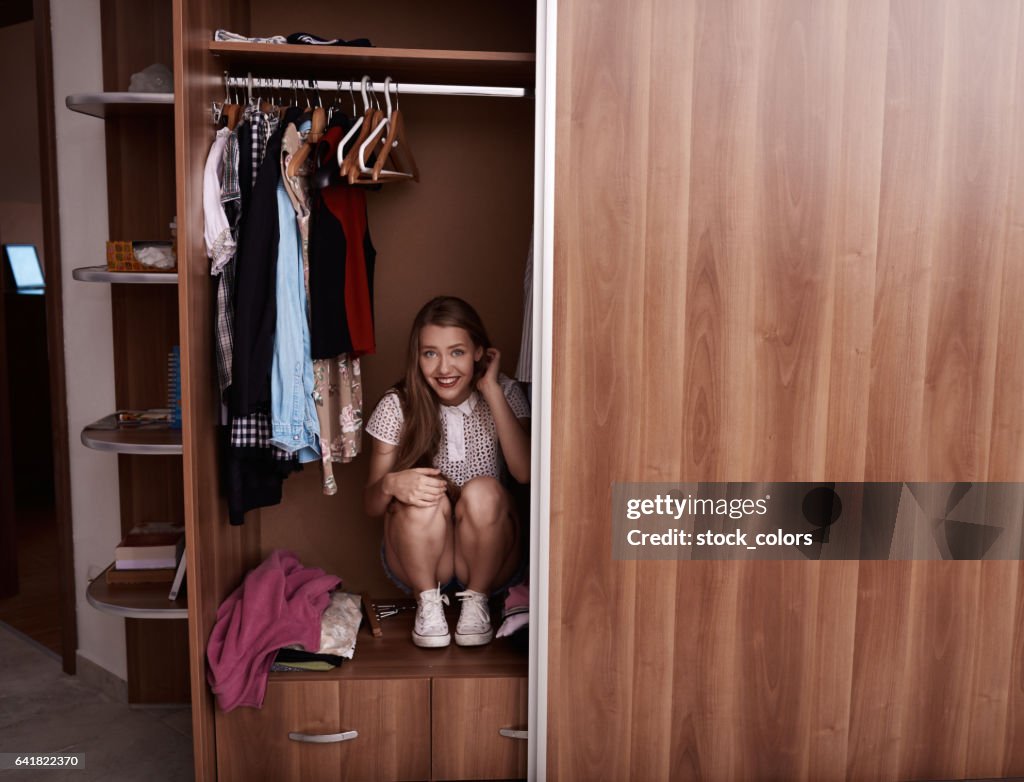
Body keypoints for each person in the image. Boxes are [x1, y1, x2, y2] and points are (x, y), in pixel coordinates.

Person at [364, 296, 530, 647]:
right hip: (423, 560)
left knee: (483, 490)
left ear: (478, 353)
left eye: (456, 352)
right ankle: (427, 606)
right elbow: (371, 506)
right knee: (423, 493)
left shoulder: (506, 394)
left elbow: (525, 473)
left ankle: (477, 603)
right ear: (417, 357)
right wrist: (392, 483)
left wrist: (491, 390)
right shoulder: (398, 404)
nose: (443, 367)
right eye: (430, 353)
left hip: (489, 556)